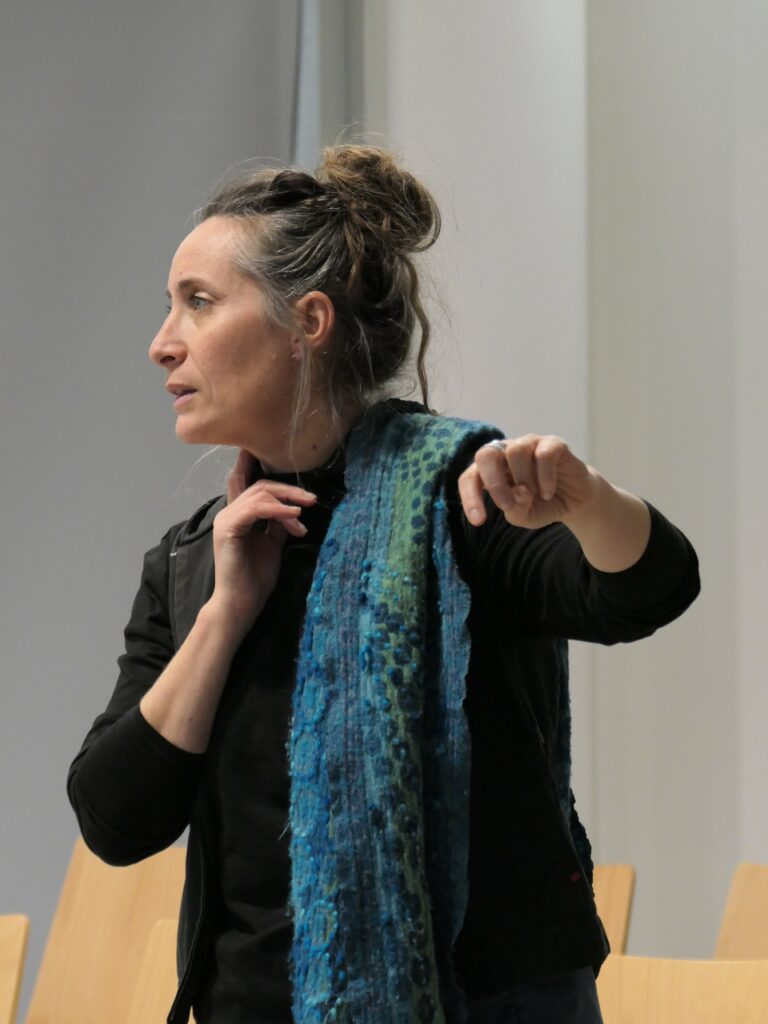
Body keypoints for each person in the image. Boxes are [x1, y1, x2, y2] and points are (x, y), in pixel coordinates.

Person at [67, 145, 700, 1024]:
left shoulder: (460, 498)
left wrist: (590, 500)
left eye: (198, 302)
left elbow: (647, 590)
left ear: (307, 321)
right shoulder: (194, 561)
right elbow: (115, 820)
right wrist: (224, 615)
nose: (161, 342)